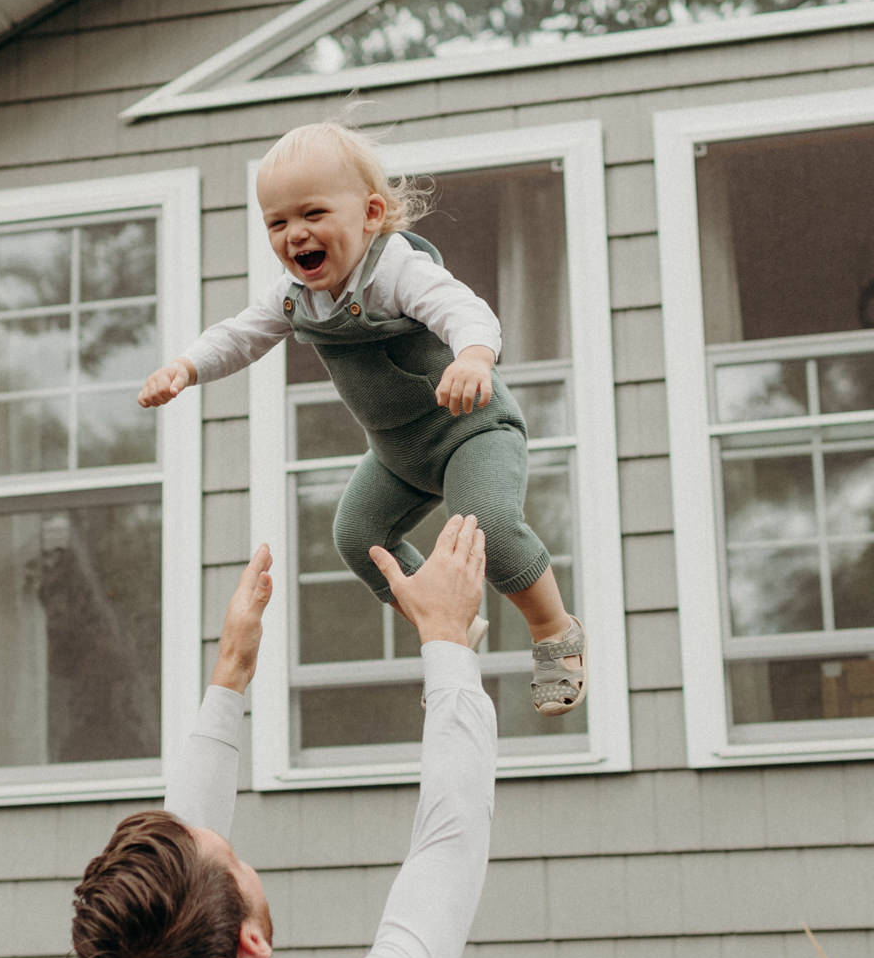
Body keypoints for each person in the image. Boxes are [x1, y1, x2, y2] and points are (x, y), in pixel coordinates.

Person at [72, 516, 497, 958]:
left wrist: (230, 675)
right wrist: (446, 639)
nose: (239, 855)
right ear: (252, 940)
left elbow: (171, 888)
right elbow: (450, 842)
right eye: (236, 861)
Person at [137, 119, 584, 714]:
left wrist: (474, 356)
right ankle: (450, 629)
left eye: (313, 214)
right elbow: (239, 336)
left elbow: (461, 308)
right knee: (357, 539)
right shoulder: (295, 297)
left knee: (488, 530)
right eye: (277, 222)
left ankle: (554, 630)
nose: (296, 235)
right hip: (397, 453)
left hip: (472, 430)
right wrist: (186, 367)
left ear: (371, 214)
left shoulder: (396, 269)